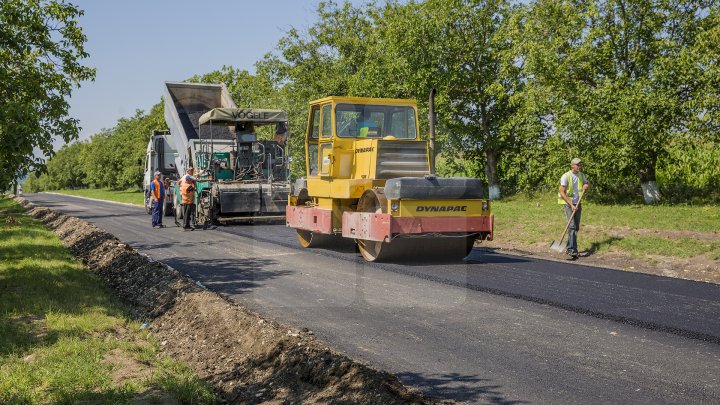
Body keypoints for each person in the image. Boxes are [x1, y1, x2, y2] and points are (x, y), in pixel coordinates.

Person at [558, 158, 590, 260]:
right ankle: (572, 250)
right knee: (571, 226)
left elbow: (587, 184)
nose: (579, 166)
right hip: (568, 204)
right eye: (577, 165)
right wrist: (571, 204)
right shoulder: (566, 176)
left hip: (578, 203)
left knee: (576, 228)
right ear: (572, 166)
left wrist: (586, 185)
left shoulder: (581, 175)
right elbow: (562, 192)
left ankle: (569, 247)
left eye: (580, 164)